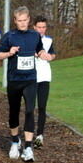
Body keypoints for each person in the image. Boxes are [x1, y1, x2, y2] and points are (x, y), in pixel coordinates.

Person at [0, 6, 49, 162]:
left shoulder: (35, 35)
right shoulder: (9, 36)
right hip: (14, 80)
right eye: (19, 21)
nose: (23, 23)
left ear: (29, 19)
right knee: (14, 111)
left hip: (30, 79)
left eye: (25, 20)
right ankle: (14, 141)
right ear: (15, 21)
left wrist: (43, 54)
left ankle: (27, 147)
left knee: (29, 111)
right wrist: (9, 52)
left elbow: (39, 50)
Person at [33, 15, 57, 148]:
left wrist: (50, 56)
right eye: (39, 27)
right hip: (30, 77)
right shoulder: (29, 39)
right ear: (34, 27)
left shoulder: (48, 40)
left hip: (44, 77)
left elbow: (53, 53)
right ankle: (28, 133)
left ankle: (40, 135)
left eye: (43, 27)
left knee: (42, 106)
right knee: (30, 108)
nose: (41, 30)